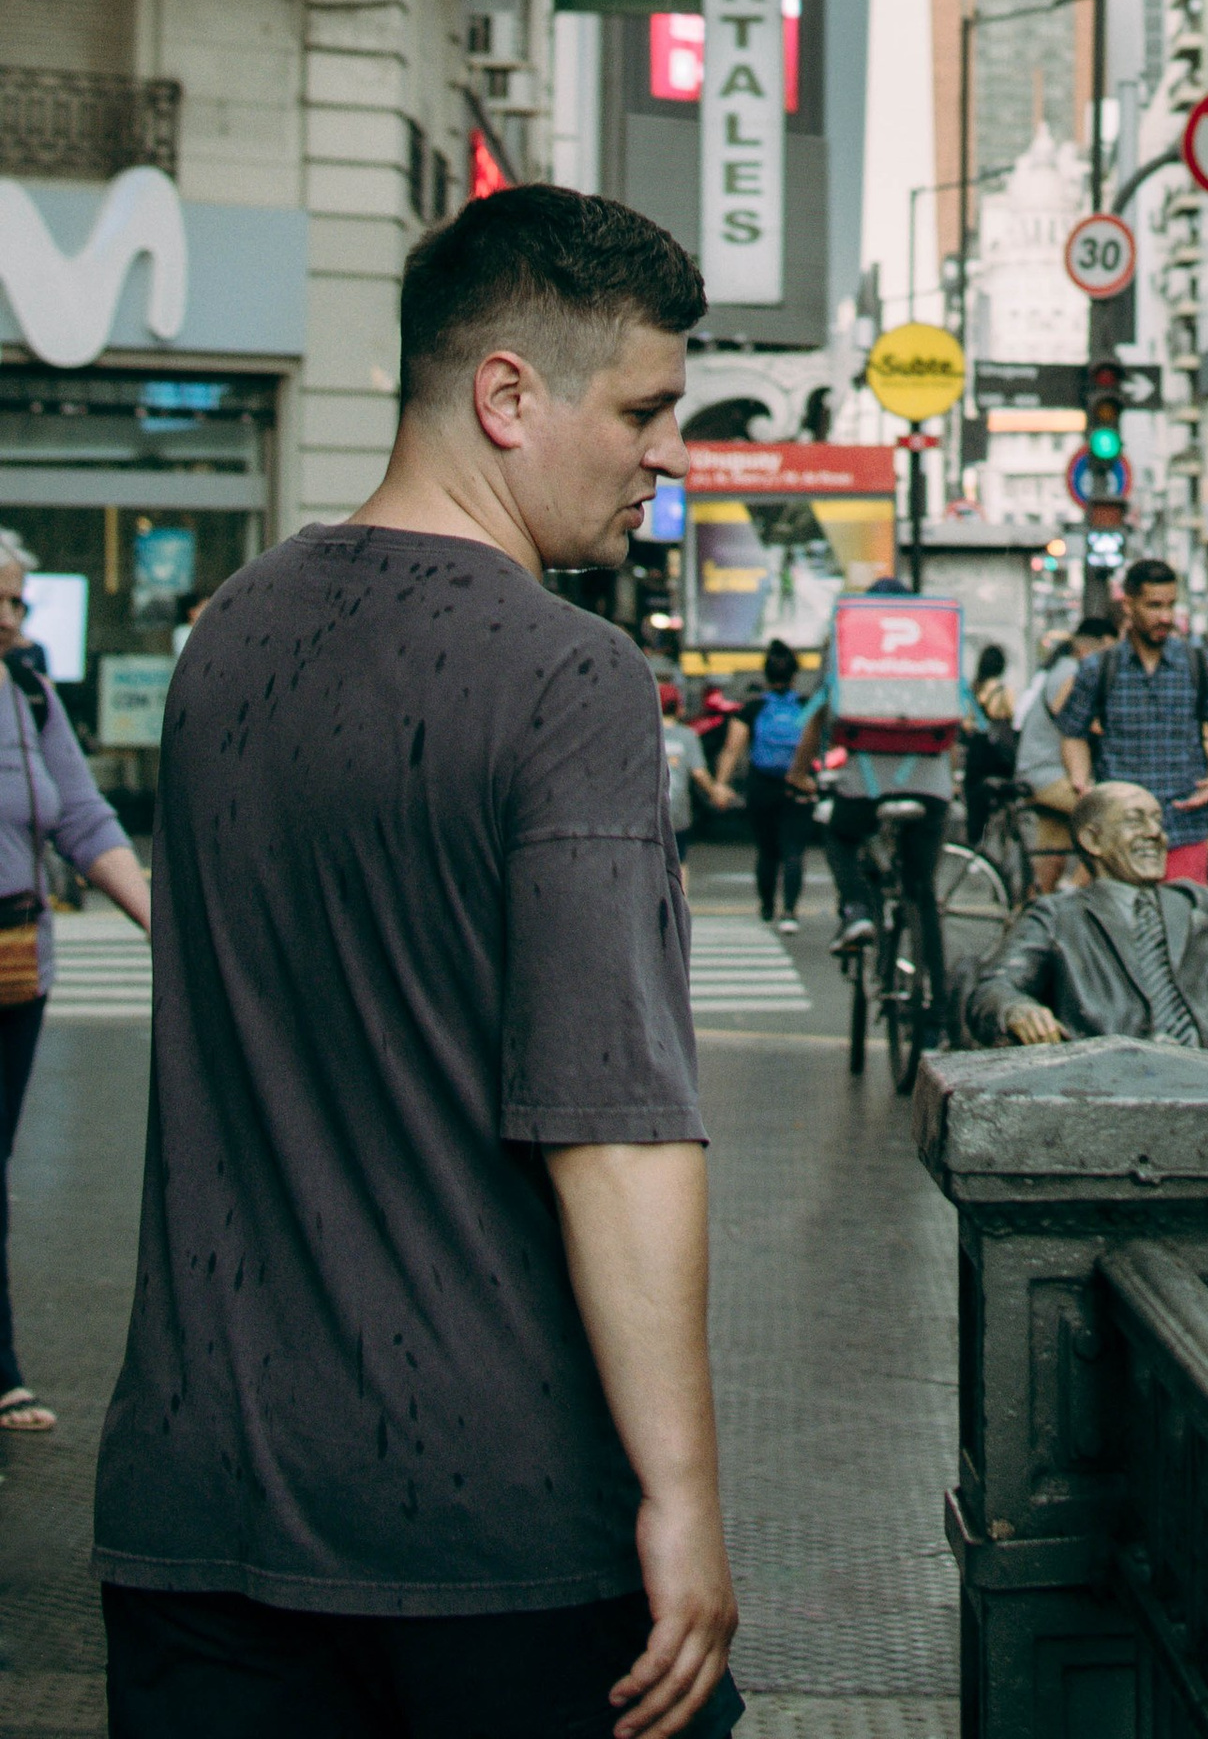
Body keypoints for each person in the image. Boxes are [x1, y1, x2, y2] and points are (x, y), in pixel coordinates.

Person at [93, 184, 740, 1739]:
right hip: (491, 1527)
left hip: (198, 1499)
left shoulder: (227, 638)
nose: (670, 453)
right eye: (648, 408)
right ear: (506, 395)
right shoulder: (572, 679)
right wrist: (684, 1495)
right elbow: (616, 1128)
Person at [0, 529, 152, 1438]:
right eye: (5, 602)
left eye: (19, 602)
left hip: (19, 961)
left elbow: (83, 819)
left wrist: (157, 918)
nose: (16, 620)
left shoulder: (28, 689)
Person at [967, 783, 1208, 1048]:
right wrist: (1016, 1009)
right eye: (1136, 821)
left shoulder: (1195, 903)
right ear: (1092, 839)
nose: (1156, 834)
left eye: (1157, 821)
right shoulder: (1058, 916)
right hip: (1109, 1089)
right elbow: (993, 988)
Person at [790, 576, 966, 1049]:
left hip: (863, 786)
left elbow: (822, 715)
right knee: (922, 892)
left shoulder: (853, 637)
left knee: (840, 835)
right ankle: (936, 1016)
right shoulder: (934, 640)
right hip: (929, 787)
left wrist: (798, 773)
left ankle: (857, 910)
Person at [1058, 562, 1208, 885]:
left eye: (1170, 604)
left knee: (1182, 925)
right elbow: (1072, 732)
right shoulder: (1099, 668)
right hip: (1119, 833)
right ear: (1128, 605)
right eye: (1154, 605)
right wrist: (1082, 783)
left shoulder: (1197, 664)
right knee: (1124, 927)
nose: (1165, 617)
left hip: (1184, 826)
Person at [717, 639, 817, 929]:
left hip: (762, 785)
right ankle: (789, 912)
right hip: (798, 783)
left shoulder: (752, 708)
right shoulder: (806, 705)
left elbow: (732, 749)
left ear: (766, 675)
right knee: (794, 849)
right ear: (795, 675)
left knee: (767, 850)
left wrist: (721, 783)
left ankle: (766, 907)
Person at [1012, 624, 1108, 889]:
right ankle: (1074, 894)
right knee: (1109, 821)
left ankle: (1031, 914)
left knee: (1051, 856)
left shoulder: (1059, 669)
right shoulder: (1070, 674)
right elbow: (1077, 720)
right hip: (1047, 774)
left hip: (1041, 771)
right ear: (1085, 650)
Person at [659, 683, 732, 894]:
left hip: (652, 811)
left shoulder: (647, 732)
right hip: (678, 812)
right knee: (680, 861)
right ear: (679, 708)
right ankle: (680, 906)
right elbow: (699, 773)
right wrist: (716, 793)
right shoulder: (687, 736)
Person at [963, 642, 1016, 846]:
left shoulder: (974, 689)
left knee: (976, 806)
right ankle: (1004, 839)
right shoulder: (1003, 690)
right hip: (999, 757)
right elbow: (1009, 716)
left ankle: (975, 846)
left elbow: (966, 722)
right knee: (1002, 799)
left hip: (977, 754)